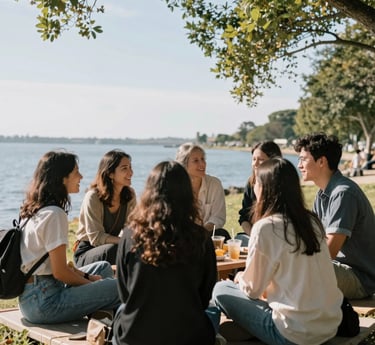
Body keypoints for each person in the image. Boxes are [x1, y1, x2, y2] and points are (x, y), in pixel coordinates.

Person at [213, 158, 343, 345]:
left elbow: (252, 290)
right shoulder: (311, 222)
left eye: (256, 182)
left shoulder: (266, 227)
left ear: (265, 188)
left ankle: (250, 329)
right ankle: (249, 329)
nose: (253, 186)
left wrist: (240, 277)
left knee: (221, 289)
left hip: (294, 334)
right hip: (328, 327)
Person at [112, 161, 218, 345]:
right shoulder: (201, 238)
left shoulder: (130, 235)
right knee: (213, 312)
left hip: (136, 336)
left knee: (121, 310)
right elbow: (204, 296)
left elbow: (124, 293)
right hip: (188, 336)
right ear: (187, 194)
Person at [19, 151, 120, 324]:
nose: (81, 176)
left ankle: (102, 318)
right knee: (118, 287)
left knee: (102, 268)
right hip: (45, 303)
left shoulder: (38, 210)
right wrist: (93, 286)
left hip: (33, 297)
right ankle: (115, 326)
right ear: (62, 178)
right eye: (76, 172)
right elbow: (60, 273)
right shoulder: (54, 214)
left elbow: (55, 267)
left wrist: (90, 278)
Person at [294, 133, 375, 299]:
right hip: (335, 268)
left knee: (296, 270)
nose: (299, 165)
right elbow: (314, 239)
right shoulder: (323, 194)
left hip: (359, 278)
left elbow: (328, 251)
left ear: (322, 161)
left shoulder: (343, 193)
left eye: (303, 159)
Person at [74, 149, 137, 267]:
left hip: (114, 246)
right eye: (124, 168)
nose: (131, 172)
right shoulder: (93, 197)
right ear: (110, 173)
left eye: (130, 167)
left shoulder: (130, 195)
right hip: (87, 252)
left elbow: (132, 228)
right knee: (114, 249)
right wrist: (126, 242)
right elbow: (96, 238)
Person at [175, 143, 230, 241]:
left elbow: (218, 217)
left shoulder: (214, 184)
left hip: (206, 234)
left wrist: (201, 232)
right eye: (196, 160)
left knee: (222, 233)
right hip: (182, 237)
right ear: (184, 164)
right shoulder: (175, 187)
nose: (202, 164)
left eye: (203, 159)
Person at [238, 141, 282, 236]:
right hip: (254, 235)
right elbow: (244, 217)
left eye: (261, 160)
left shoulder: (281, 186)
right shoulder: (251, 183)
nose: (255, 164)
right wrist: (253, 236)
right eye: (254, 159)